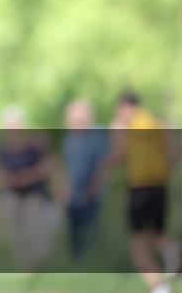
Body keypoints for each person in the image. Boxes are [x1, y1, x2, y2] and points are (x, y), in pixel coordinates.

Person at [89, 90, 180, 293]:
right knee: (156, 236)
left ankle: (160, 288)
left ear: (125, 107)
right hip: (160, 185)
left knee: (138, 247)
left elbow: (119, 154)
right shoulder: (158, 122)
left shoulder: (124, 126)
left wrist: (100, 175)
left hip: (139, 187)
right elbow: (174, 152)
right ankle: (170, 249)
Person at [0, 106, 60, 268]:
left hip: (33, 195)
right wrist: (12, 180)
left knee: (36, 231)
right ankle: (24, 267)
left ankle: (40, 266)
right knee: (16, 233)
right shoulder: (3, 150)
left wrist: (28, 177)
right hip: (12, 196)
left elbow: (49, 166)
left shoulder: (34, 146)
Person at [61, 99, 108, 259]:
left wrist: (93, 189)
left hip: (92, 194)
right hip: (75, 195)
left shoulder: (97, 136)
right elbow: (69, 169)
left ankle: (94, 262)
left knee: (91, 233)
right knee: (75, 236)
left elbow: (102, 165)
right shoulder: (69, 140)